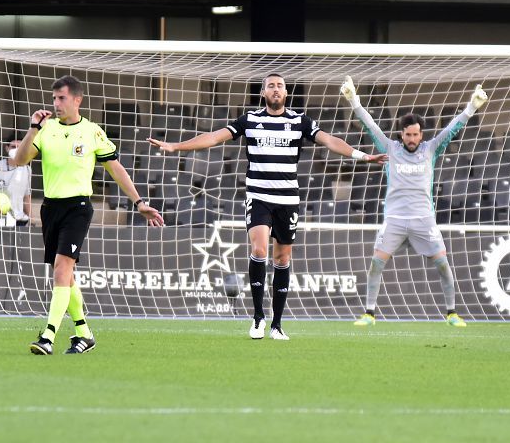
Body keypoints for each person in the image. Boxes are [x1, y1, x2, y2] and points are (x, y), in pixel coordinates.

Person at [147, 72, 388, 341]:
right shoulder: (250, 120)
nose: (276, 89)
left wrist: (363, 156)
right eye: (271, 86)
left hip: (287, 200)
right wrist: (176, 146)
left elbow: (330, 141)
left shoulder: (299, 121)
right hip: (259, 196)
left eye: (280, 86)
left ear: (286, 93)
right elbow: (215, 137)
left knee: (282, 258)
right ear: (263, 93)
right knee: (259, 249)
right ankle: (258, 318)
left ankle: (277, 324)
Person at [14, 75, 163, 355]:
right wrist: (33, 128)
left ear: (77, 100)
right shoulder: (46, 130)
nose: (56, 103)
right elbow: (19, 160)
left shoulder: (92, 131)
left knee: (61, 269)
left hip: (78, 208)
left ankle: (48, 335)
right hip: (50, 208)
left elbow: (115, 168)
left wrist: (139, 202)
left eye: (62, 98)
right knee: (66, 276)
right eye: (54, 98)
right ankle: (84, 334)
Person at [341, 76, 488, 327]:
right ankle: (369, 313)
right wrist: (354, 101)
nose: (412, 138)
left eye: (416, 135)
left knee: (442, 264)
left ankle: (452, 313)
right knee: (376, 263)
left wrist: (471, 108)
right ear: (401, 134)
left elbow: (451, 130)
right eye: (408, 135)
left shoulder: (430, 149)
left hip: (424, 220)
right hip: (395, 220)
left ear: (421, 135)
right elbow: (370, 126)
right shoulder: (389, 148)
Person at [0, 138, 32, 225]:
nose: (16, 150)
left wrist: (30, 218)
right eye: (13, 147)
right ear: (7, 148)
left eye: (19, 147)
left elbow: (26, 196)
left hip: (18, 217)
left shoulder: (27, 169)